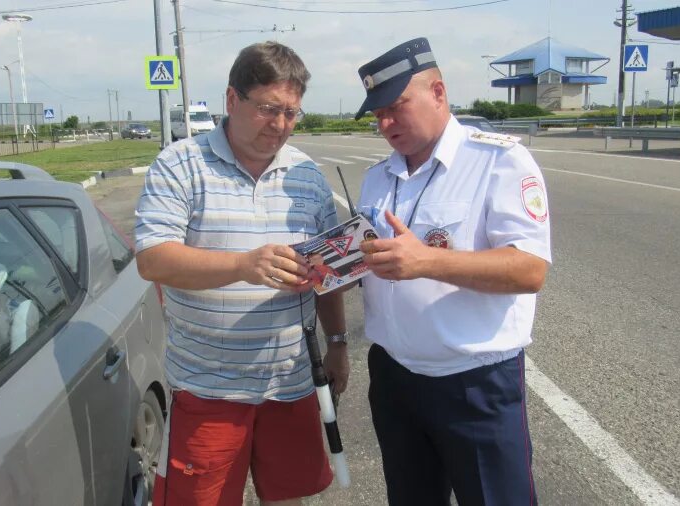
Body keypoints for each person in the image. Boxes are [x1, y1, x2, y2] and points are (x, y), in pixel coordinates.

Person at [135, 41, 349, 506]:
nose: (280, 125)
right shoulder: (180, 165)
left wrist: (338, 342)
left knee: (291, 497)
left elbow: (328, 271)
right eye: (269, 108)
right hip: (209, 388)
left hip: (290, 384)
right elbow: (152, 258)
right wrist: (242, 265)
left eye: (292, 113)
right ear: (233, 100)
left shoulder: (307, 175)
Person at [353, 38, 552, 505]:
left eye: (395, 107)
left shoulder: (498, 162)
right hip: (395, 378)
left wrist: (429, 261)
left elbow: (529, 270)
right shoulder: (378, 176)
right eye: (377, 114)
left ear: (438, 92)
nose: (385, 124)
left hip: (473, 383)